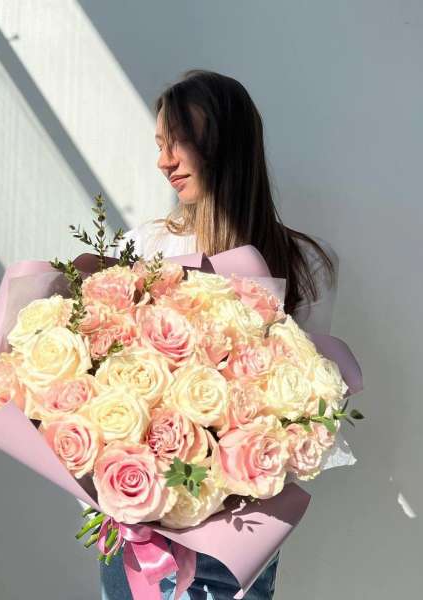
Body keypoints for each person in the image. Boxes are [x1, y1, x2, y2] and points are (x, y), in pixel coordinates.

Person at [102, 69, 339, 600]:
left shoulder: (307, 264)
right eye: (160, 145)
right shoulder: (143, 248)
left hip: (239, 534)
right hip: (141, 533)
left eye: (179, 141)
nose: (164, 161)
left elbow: (306, 406)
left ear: (226, 144)